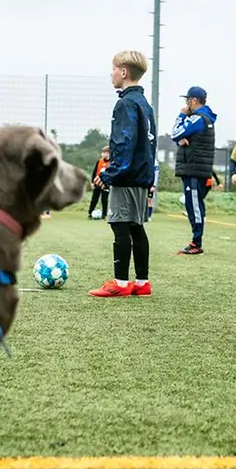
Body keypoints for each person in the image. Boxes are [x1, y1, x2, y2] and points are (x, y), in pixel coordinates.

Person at [88, 50, 157, 298]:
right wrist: (149, 177)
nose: (112, 74)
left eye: (114, 69)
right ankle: (142, 282)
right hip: (141, 176)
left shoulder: (125, 103)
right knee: (136, 226)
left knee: (119, 224)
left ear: (124, 72)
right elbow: (150, 144)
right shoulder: (145, 105)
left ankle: (120, 283)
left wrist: (109, 173)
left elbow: (125, 143)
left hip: (126, 176)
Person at [170, 86, 218, 255]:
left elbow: (175, 132)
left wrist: (182, 115)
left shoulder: (198, 118)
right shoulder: (203, 118)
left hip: (193, 168)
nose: (186, 103)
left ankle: (196, 243)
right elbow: (180, 137)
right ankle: (196, 240)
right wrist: (180, 139)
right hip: (196, 167)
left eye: (187, 100)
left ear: (194, 100)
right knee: (195, 205)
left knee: (194, 205)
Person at [88, 146, 111, 219]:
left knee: (104, 200)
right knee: (94, 199)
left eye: (104, 152)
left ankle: (104, 214)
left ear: (108, 153)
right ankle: (90, 213)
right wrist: (92, 182)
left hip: (106, 184)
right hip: (97, 183)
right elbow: (94, 172)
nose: (103, 154)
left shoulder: (112, 162)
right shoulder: (99, 161)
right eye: (102, 152)